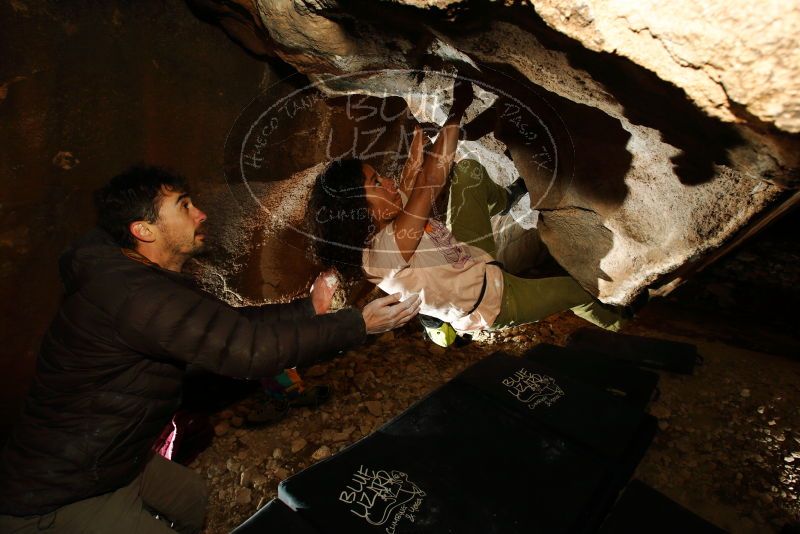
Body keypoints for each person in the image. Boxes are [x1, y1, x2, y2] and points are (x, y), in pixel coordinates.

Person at [0, 166, 420, 533]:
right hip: (60, 491)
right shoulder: (135, 297)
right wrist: (356, 324)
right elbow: (246, 351)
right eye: (183, 206)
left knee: (191, 499)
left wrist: (307, 309)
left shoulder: (135, 276)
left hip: (116, 460)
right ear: (143, 231)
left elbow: (227, 328)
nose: (200, 212)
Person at [308, 78, 625, 339]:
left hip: (472, 253)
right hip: (492, 301)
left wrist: (419, 137)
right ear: (360, 209)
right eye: (376, 183)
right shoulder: (385, 252)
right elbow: (431, 179)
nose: (387, 183)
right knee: (577, 290)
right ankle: (620, 320)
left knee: (469, 173)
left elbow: (411, 176)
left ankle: (505, 200)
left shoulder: (386, 215)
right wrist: (457, 111)